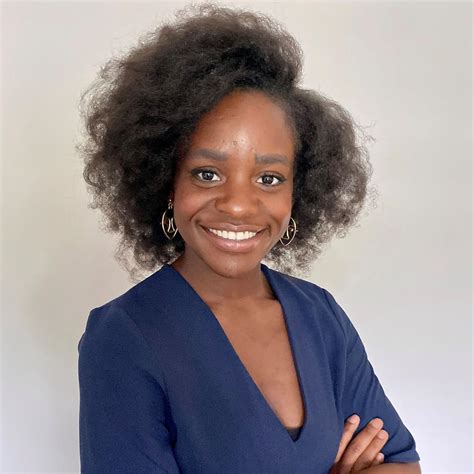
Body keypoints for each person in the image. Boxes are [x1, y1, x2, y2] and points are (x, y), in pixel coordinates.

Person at [77, 3, 421, 473]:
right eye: (207, 173)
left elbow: (400, 463)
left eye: (269, 179)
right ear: (165, 182)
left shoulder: (320, 315)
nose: (238, 205)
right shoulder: (124, 335)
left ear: (298, 192)